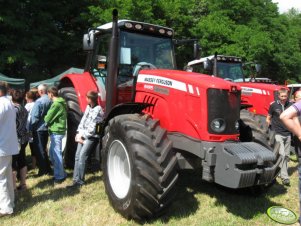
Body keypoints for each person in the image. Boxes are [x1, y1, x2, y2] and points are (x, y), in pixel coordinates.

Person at [68, 90, 104, 188]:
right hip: (82, 135)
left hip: (90, 137)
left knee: (83, 157)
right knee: (77, 156)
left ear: (90, 99)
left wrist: (82, 136)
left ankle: (80, 181)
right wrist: (78, 133)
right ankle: (75, 179)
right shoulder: (88, 107)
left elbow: (93, 128)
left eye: (87, 98)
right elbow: (83, 121)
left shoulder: (98, 110)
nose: (86, 99)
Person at [280, 90, 301, 225]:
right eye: (298, 97)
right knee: (283, 155)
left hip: (290, 137)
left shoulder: (292, 107)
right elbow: (288, 117)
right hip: (281, 134)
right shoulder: (293, 108)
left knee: (286, 155)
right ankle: (284, 175)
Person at [266, 88, 292, 186]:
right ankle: (285, 177)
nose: (283, 98)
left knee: (287, 156)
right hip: (277, 134)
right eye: (282, 96)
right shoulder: (273, 105)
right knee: (282, 155)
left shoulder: (290, 105)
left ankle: (279, 173)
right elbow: (268, 118)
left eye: (285, 96)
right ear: (278, 95)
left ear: (287, 96)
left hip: (288, 134)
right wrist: (269, 130)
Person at [0, 81, 18, 216]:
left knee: (2, 178)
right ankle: (10, 203)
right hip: (7, 145)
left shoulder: (1, 103)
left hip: (2, 145)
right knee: (6, 176)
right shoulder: (8, 102)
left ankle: (6, 208)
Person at [44, 87, 67, 184]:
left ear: (51, 94)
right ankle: (61, 173)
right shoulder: (61, 102)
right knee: (54, 154)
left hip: (56, 132)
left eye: (48, 94)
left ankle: (60, 176)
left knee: (56, 155)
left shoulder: (56, 104)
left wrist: (45, 119)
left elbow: (47, 117)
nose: (48, 96)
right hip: (58, 131)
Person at [30, 84, 52, 176]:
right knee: (43, 148)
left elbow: (34, 117)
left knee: (39, 149)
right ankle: (47, 168)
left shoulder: (39, 101)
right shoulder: (51, 101)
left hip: (39, 128)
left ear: (41, 91)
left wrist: (30, 128)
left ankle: (43, 170)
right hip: (47, 128)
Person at [11, 90, 29, 191]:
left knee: (13, 163)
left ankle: (13, 188)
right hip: (23, 138)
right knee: (22, 160)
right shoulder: (24, 109)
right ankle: (23, 184)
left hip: (14, 139)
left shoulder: (13, 109)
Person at [25, 90, 37, 169]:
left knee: (29, 146)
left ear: (28, 97)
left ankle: (32, 165)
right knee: (34, 147)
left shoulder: (28, 105)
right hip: (35, 127)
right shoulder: (36, 104)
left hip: (28, 128)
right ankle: (34, 164)